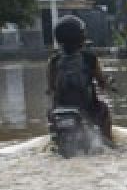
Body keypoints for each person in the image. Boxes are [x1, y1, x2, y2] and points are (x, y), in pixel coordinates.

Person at [46, 15, 115, 144]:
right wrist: (106, 84)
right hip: (87, 108)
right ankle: (109, 143)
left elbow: (51, 87)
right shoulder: (90, 58)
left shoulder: (53, 61)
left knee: (51, 117)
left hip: (59, 109)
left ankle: (54, 142)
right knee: (104, 109)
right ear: (82, 37)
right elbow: (101, 80)